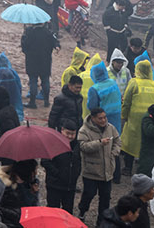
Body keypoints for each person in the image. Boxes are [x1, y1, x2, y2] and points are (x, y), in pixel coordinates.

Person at [46, 74, 85, 212]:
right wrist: (53, 133)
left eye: (80, 88)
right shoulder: (60, 99)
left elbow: (79, 115)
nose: (78, 90)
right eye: (76, 88)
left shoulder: (79, 98)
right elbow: (53, 116)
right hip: (62, 132)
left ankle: (69, 179)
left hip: (75, 132)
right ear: (70, 86)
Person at [121, 62, 154, 175]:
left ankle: (128, 168)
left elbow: (127, 101)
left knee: (131, 141)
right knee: (146, 141)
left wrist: (124, 115)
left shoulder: (134, 82)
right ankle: (144, 169)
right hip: (151, 118)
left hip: (135, 118)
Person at [80, 106, 121, 219]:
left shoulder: (110, 128)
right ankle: (82, 211)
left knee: (105, 198)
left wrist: (114, 153)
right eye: (100, 118)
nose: (103, 120)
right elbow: (83, 147)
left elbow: (117, 141)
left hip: (107, 172)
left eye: (104, 117)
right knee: (88, 195)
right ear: (93, 118)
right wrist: (99, 143)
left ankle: (102, 221)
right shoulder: (84, 130)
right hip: (91, 172)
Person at [22, 20, 59, 109]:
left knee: (33, 81)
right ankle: (46, 101)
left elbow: (24, 46)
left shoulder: (29, 32)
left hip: (32, 61)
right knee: (45, 80)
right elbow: (55, 43)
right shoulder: (48, 32)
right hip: (45, 61)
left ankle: (32, 102)